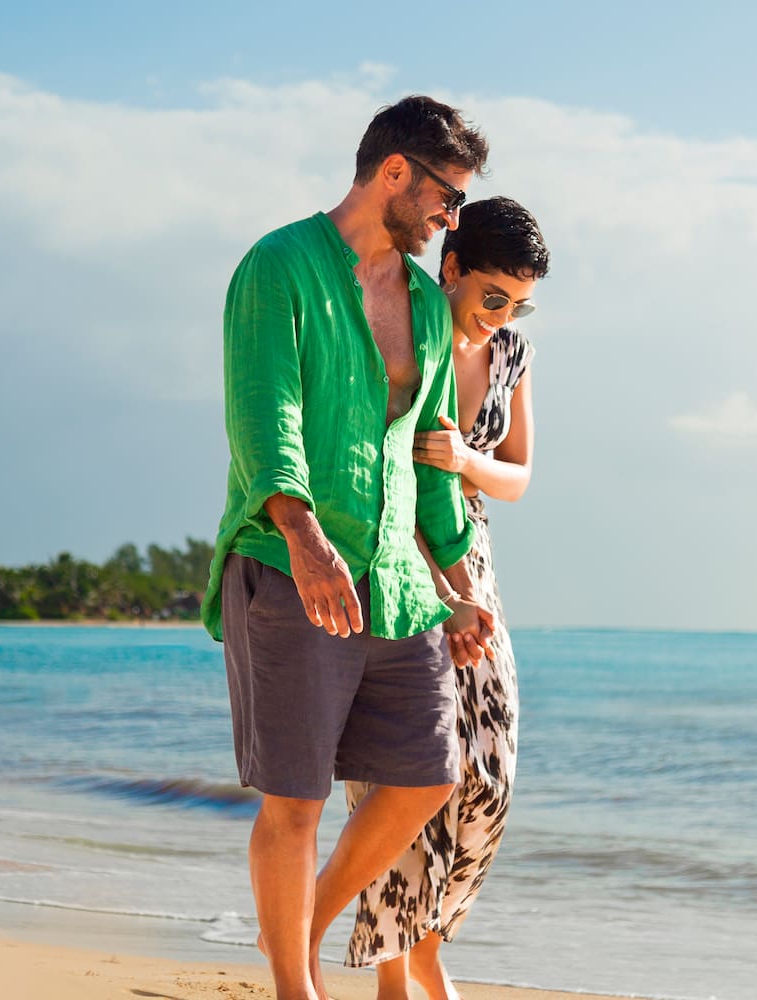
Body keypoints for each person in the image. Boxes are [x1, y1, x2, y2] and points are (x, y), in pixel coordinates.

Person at [202, 95, 498, 1000]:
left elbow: (428, 458)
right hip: (290, 567)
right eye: (447, 196)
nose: (452, 219)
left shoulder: (427, 307)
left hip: (398, 583)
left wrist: (457, 584)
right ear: (395, 172)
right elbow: (266, 416)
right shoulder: (279, 266)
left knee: (427, 776)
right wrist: (304, 536)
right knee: (295, 799)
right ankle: (295, 988)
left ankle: (300, 928)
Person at [344, 196, 548, 1000]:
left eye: (519, 304)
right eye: (494, 295)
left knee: (489, 775)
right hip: (393, 553)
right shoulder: (402, 324)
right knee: (402, 768)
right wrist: (434, 588)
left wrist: (465, 458)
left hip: (474, 558)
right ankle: (396, 975)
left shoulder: (510, 354)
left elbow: (519, 476)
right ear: (452, 266)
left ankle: (428, 942)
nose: (502, 315)